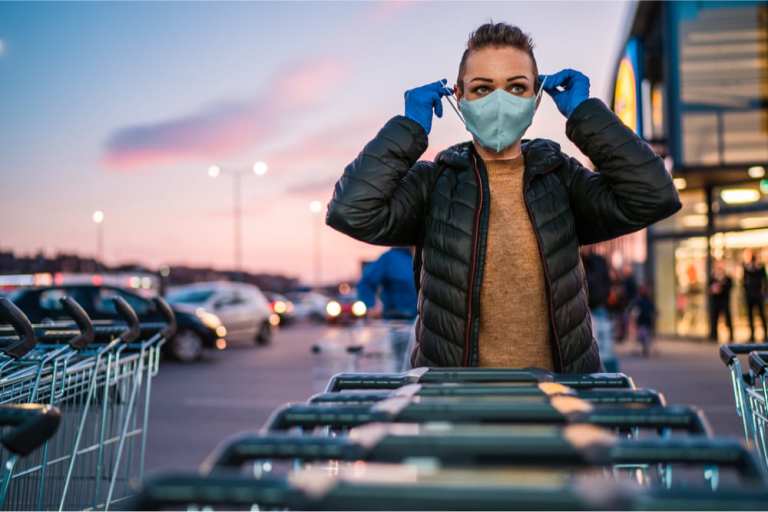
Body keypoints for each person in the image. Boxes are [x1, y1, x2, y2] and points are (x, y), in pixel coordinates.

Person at [325, 22, 682, 373]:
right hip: (452, 404)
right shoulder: (434, 183)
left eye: (516, 87)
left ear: (535, 97)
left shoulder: (561, 178)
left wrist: (585, 113)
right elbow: (351, 211)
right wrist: (409, 128)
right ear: (459, 98)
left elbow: (652, 195)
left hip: (559, 400)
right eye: (482, 89)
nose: (499, 100)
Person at [357, 247, 418, 370]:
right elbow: (366, 282)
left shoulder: (431, 256)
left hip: (427, 324)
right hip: (400, 324)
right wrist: (371, 305)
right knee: (402, 366)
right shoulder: (390, 258)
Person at [581, 249, 617, 371]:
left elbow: (605, 283)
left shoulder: (597, 261)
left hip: (596, 307)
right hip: (585, 308)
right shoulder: (583, 260)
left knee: (604, 348)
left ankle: (611, 378)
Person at [743, 252, 767, 342]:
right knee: (750, 316)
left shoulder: (760, 268)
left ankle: (765, 334)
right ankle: (752, 335)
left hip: (758, 295)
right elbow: (744, 281)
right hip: (750, 296)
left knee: (762, 315)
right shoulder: (747, 268)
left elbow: (764, 281)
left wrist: (764, 293)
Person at [709, 261, 734, 342]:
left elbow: (730, 287)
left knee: (728, 318)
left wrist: (722, 287)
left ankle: (731, 336)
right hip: (715, 301)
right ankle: (714, 336)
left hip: (724, 300)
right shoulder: (712, 277)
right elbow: (709, 288)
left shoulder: (727, 278)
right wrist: (713, 290)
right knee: (714, 318)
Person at [632, 284, 656, 357]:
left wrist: (655, 313)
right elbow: (635, 309)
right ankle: (644, 348)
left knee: (646, 335)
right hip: (641, 320)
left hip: (647, 320)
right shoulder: (638, 300)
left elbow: (652, 308)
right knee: (643, 335)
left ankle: (645, 348)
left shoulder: (648, 300)